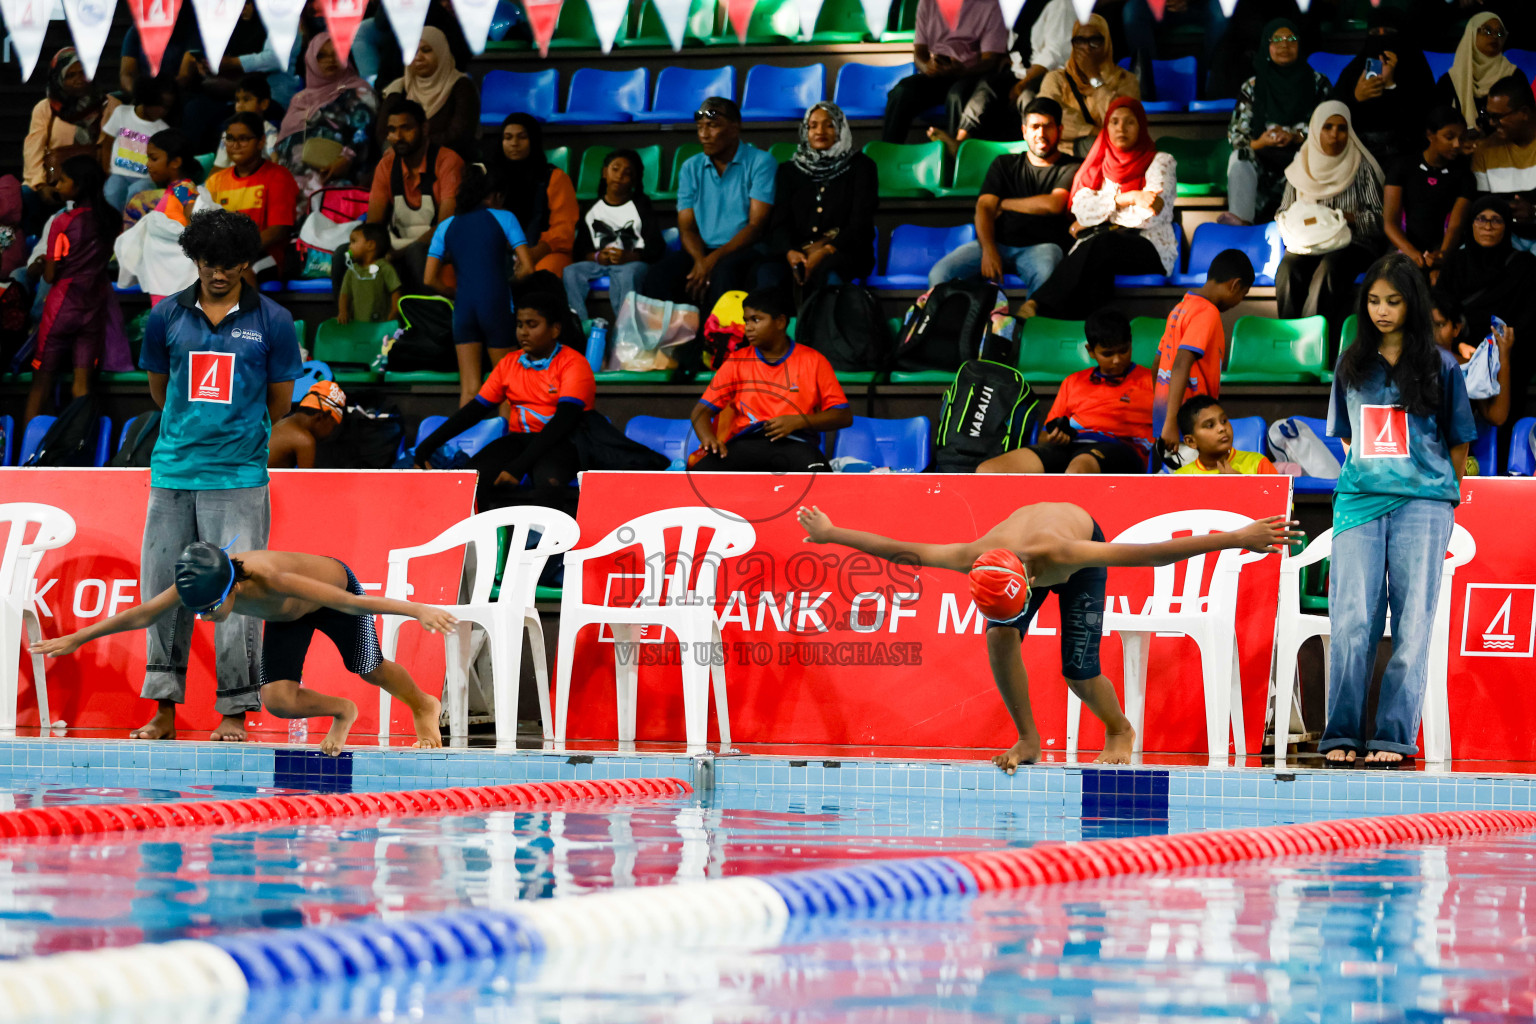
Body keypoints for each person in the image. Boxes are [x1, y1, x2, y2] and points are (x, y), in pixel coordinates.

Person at [795, 502, 1299, 770]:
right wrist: (830, 533)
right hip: (1015, 557)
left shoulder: (1065, 553)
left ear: (1028, 582)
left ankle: (1119, 728)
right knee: (998, 637)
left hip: (1075, 545)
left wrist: (1238, 537)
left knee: (1078, 670)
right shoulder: (974, 554)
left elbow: (1152, 554)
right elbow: (900, 548)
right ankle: (1029, 738)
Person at [133, 208, 304, 744]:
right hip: (173, 474)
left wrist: (234, 439)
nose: (220, 274)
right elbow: (161, 392)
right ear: (195, 261)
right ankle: (163, 709)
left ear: (245, 263)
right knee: (162, 589)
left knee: (236, 594)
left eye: (230, 264)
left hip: (237, 477)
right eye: (210, 263)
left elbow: (280, 402)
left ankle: (234, 710)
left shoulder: (273, 320)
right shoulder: (165, 317)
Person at [31, 541, 450, 755]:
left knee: (369, 667)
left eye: (213, 609)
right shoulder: (199, 582)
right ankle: (343, 710)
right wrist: (77, 637)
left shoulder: (271, 577)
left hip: (332, 595)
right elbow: (142, 614)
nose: (208, 617)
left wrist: (415, 609)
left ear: (233, 586)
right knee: (278, 702)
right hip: (288, 617)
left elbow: (352, 603)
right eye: (199, 612)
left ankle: (422, 704)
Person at [1322, 253, 1479, 767]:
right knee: (1350, 622)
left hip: (1424, 506)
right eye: (1373, 301)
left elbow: (1459, 442)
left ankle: (1392, 737)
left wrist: (1438, 490)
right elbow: (1347, 438)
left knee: (1412, 624)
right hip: (1359, 503)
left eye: (1393, 301)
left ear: (1413, 303)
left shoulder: (1442, 366)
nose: (1382, 311)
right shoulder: (1350, 364)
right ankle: (1340, 734)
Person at [412, 292, 594, 514]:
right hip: (518, 440)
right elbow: (474, 411)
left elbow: (563, 422)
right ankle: (485, 544)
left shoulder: (574, 364)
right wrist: (427, 446)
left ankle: (552, 549)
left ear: (555, 329)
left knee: (549, 482)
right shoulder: (509, 364)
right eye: (519, 325)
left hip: (564, 442)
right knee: (473, 478)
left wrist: (518, 467)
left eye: (532, 324)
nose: (523, 332)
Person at [1018, 98, 1176, 320]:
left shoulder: (1161, 162)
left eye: (1130, 122)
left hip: (1149, 247)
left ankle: (1039, 306)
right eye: (1114, 122)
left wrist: (1098, 216)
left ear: (1141, 126)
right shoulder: (1098, 164)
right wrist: (1128, 198)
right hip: (1102, 249)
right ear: (1107, 127)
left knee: (1100, 245)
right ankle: (1090, 341)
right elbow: (1081, 207)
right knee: (1097, 270)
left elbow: (1149, 215)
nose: (1121, 128)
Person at [929, 97, 1079, 299]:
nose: (1041, 134)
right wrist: (989, 250)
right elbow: (984, 208)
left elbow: (1054, 204)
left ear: (1059, 131)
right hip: (997, 242)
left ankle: (1031, 326)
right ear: (1024, 131)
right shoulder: (1004, 164)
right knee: (940, 274)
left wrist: (1003, 203)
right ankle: (958, 328)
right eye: (1034, 127)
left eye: (1047, 127)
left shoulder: (1072, 167)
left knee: (1048, 273)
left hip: (1043, 247)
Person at [690, 289, 851, 473]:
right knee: (698, 476)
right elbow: (701, 411)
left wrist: (799, 421)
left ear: (780, 322)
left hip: (796, 444)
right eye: (746, 320)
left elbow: (843, 415)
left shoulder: (813, 360)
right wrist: (708, 439)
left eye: (756, 320)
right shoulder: (736, 360)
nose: (748, 327)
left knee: (820, 475)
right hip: (745, 444)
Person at [640, 98, 777, 314]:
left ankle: (716, 345)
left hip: (745, 248)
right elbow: (686, 227)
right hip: (701, 250)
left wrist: (711, 261)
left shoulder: (761, 162)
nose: (704, 134)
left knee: (724, 273)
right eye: (700, 127)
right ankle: (666, 345)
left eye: (712, 126)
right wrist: (700, 261)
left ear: (734, 128)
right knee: (658, 276)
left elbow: (755, 226)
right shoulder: (690, 167)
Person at [977, 308, 1152, 475]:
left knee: (1077, 471)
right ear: (1091, 352)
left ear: (1131, 343)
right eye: (1107, 354)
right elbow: (1044, 436)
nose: (1116, 360)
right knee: (989, 470)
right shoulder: (1073, 381)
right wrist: (1054, 438)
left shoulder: (1152, 382)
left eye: (1123, 351)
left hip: (1120, 448)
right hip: (1070, 446)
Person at [424, 163, 535, 407]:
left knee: (469, 389)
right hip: (495, 302)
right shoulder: (504, 217)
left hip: (463, 307)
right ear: (494, 195)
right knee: (507, 386)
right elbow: (528, 267)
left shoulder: (445, 226)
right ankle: (505, 443)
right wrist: (510, 282)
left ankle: (466, 444)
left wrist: (453, 293)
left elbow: (429, 279)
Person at [23, 156, 122, 425]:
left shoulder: (63, 221)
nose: (58, 184)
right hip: (94, 305)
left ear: (78, 187)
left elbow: (53, 275)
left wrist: (43, 264)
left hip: (63, 305)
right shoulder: (110, 218)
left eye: (64, 180)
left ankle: (25, 455)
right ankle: (82, 448)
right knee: (82, 386)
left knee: (41, 382)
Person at [1275, 102, 1385, 324]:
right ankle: (1287, 334)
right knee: (1287, 270)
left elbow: (1379, 221)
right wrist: (1303, 223)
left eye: (1342, 128)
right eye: (1328, 127)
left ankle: (1310, 340)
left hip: (1353, 244)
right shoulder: (1301, 166)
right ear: (1316, 130)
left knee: (1328, 269)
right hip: (1309, 243)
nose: (1335, 134)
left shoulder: (1361, 166)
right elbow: (1282, 214)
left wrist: (1345, 218)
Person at [762, 103, 879, 294]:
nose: (820, 131)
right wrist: (790, 252)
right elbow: (779, 222)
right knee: (768, 275)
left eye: (829, 125)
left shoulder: (862, 167)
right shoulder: (789, 171)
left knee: (828, 273)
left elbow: (860, 223)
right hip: (796, 251)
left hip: (846, 250)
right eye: (813, 125)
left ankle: (827, 324)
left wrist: (826, 250)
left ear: (841, 129)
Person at [1224, 19, 1331, 225]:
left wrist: (1296, 137)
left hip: (1303, 159)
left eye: (1291, 39)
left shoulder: (1318, 83)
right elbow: (1236, 136)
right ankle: (1240, 226)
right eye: (1277, 40)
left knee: (1313, 158)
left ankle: (1306, 226)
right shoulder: (1253, 86)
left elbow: (1328, 130)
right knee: (1239, 157)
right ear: (1267, 45)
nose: (1284, 45)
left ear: (1300, 45)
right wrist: (1261, 142)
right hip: (1262, 162)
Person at [1151, 248, 1254, 453]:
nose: (1239, 302)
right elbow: (1182, 362)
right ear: (1235, 285)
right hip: (1190, 427)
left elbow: (1157, 365)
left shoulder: (1181, 307)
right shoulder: (1207, 312)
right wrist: (1172, 421)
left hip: (1166, 420)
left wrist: (1164, 416)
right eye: (1243, 295)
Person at [945, 0, 1075, 156]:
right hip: (1021, 70)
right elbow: (1017, 40)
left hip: (1048, 74)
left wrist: (1022, 84)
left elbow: (1054, 55)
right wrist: (1008, 56)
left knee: (1027, 96)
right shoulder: (1025, 6)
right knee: (987, 86)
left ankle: (1032, 154)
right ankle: (960, 143)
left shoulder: (1061, 4)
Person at [1438, 196, 1536, 391]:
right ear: (1471, 223)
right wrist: (1458, 344)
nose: (1488, 226)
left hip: (1507, 348)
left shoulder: (1525, 266)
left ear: (1507, 225)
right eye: (1481, 218)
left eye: (1497, 220)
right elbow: (1441, 306)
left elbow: (1528, 317)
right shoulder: (1456, 262)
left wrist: (1497, 348)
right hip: (1462, 344)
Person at [881, 0, 1010, 146]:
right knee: (902, 91)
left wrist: (963, 71)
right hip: (938, 75)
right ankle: (888, 150)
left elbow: (991, 60)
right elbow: (919, 52)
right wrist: (928, 67)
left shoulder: (989, 5)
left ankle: (954, 156)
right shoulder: (928, 3)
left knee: (957, 95)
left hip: (972, 75)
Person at [364, 99, 462, 289]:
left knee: (416, 252)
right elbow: (373, 224)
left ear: (424, 128)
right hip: (397, 245)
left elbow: (445, 227)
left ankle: (430, 315)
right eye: (392, 130)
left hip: (443, 247)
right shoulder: (386, 164)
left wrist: (400, 253)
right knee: (345, 254)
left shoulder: (448, 162)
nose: (397, 136)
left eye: (405, 128)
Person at [23, 48, 122, 229]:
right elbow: (33, 151)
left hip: (97, 180)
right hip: (55, 180)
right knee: (27, 194)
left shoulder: (111, 106)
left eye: (83, 72)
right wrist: (40, 184)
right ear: (58, 78)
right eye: (70, 75)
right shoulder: (45, 108)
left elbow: (120, 149)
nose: (78, 79)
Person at [271, 33, 377, 201]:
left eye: (336, 53)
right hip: (291, 183)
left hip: (331, 180)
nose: (330, 60)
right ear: (311, 60)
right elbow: (284, 137)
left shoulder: (359, 91)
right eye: (321, 56)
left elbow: (364, 132)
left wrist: (347, 158)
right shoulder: (300, 99)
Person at [563, 148, 665, 320]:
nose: (619, 176)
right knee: (570, 272)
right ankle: (579, 325)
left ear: (634, 180)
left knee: (628, 275)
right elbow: (580, 250)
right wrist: (597, 257)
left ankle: (626, 329)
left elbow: (656, 248)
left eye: (627, 173)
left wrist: (629, 257)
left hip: (632, 263)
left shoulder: (641, 206)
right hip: (599, 264)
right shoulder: (591, 208)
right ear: (605, 172)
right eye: (615, 169)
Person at [205, 112, 301, 284]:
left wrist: (238, 251)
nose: (235, 145)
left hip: (267, 255)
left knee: (239, 273)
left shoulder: (278, 176)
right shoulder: (215, 182)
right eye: (230, 139)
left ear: (261, 141)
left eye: (243, 139)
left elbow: (278, 230)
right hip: (223, 256)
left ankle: (248, 312)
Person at [1336, 8, 1436, 172]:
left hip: (1407, 157)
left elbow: (1422, 117)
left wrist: (1391, 86)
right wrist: (1356, 98)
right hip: (1359, 157)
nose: (1382, 38)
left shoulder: (1416, 69)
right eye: (1376, 32)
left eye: (1388, 32)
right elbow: (1335, 113)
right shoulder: (1354, 71)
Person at [114, 129, 207, 304]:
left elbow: (194, 222)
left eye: (154, 158)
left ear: (175, 162)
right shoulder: (174, 189)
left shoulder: (183, 188)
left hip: (176, 277)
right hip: (164, 276)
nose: (148, 164)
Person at [1383, 106, 1474, 277]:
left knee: (1437, 280)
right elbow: (1390, 222)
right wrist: (1411, 252)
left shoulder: (1464, 176)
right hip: (1404, 245)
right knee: (1398, 278)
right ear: (1430, 135)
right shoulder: (1402, 167)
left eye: (1461, 139)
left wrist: (1442, 255)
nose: (1457, 144)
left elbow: (1455, 226)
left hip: (1444, 248)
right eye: (1449, 137)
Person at [488, 113, 579, 282]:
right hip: (499, 250)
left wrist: (531, 254)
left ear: (534, 140)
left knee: (543, 274)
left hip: (545, 251)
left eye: (522, 137)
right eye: (508, 138)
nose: (514, 143)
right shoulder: (489, 178)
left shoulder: (554, 177)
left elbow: (563, 229)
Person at [1037, 15, 1140, 158]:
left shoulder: (1126, 79)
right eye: (1080, 41)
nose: (1086, 48)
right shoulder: (1056, 79)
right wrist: (1093, 131)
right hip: (1063, 155)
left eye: (1094, 41)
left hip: (1109, 155)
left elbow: (1121, 120)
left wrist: (1094, 78)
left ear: (1106, 43)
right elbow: (1049, 118)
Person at [379, 27, 479, 159]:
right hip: (405, 163)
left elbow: (458, 135)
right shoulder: (400, 87)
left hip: (449, 163)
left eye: (426, 50)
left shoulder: (461, 86)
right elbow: (383, 132)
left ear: (440, 51)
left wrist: (413, 146)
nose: (419, 57)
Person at [1430, 289, 1514, 431]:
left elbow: (1496, 417)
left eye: (1439, 324)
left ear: (1456, 329)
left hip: (1459, 451)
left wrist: (1504, 355)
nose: (1431, 332)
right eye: (1425, 325)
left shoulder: (1468, 368)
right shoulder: (1407, 365)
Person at [1471, 77, 1536, 251]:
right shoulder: (1484, 150)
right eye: (1488, 115)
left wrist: (1534, 212)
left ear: (1524, 112)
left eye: (1497, 117)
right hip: (1503, 240)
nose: (1491, 123)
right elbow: (1479, 205)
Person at [1121, 0, 1230, 96]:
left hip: (1199, 4)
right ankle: (1148, 86)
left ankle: (1211, 85)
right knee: (1132, 12)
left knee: (1222, 15)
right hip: (1158, 5)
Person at [98, 78, 174, 211]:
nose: (164, 111)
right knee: (112, 192)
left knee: (137, 192)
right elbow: (107, 143)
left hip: (145, 178)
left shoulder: (163, 129)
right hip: (118, 173)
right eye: (160, 105)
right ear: (147, 100)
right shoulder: (122, 113)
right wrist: (107, 170)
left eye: (168, 107)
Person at [1438, 12, 1516, 132]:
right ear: (1471, 33)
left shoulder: (1513, 76)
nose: (1495, 36)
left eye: (1500, 33)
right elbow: (1437, 125)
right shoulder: (1449, 81)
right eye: (1487, 31)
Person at [1172, 395, 1278, 475]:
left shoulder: (1257, 464)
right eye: (1210, 425)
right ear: (1191, 441)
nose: (1222, 428)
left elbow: (1283, 504)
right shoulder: (1182, 477)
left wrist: (1245, 486)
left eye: (1224, 421)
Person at [269, 380, 346, 468]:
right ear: (321, 417)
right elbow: (307, 481)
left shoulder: (278, 423)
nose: (332, 433)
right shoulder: (304, 441)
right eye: (334, 426)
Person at [338, 223, 401, 324]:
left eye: (353, 241)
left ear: (370, 245)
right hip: (357, 325)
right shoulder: (352, 270)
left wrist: (394, 312)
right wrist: (343, 312)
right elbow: (344, 294)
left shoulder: (384, 268)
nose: (349, 246)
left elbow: (395, 291)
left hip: (381, 325)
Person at [213, 75, 282, 169]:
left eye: (246, 100)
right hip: (231, 180)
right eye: (237, 100)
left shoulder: (268, 130)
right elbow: (219, 166)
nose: (240, 106)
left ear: (263, 104)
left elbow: (274, 157)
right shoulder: (228, 132)